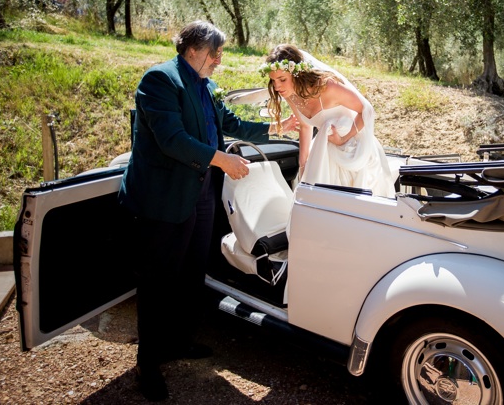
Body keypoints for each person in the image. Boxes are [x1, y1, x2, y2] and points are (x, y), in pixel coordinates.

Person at [118, 20, 296, 401]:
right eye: (215, 53)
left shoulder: (207, 85)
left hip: (198, 195)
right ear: (194, 50)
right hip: (162, 199)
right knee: (157, 282)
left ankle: (179, 342)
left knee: (190, 273)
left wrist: (278, 127)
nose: (219, 60)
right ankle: (147, 364)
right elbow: (172, 141)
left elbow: (229, 123)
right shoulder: (160, 80)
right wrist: (221, 160)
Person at [260, 44, 396, 198]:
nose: (277, 87)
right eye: (273, 81)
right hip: (322, 148)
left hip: (351, 147)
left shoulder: (328, 87)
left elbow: (366, 110)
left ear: (296, 73)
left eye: (282, 79)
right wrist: (303, 164)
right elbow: (304, 126)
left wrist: (343, 139)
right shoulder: (290, 94)